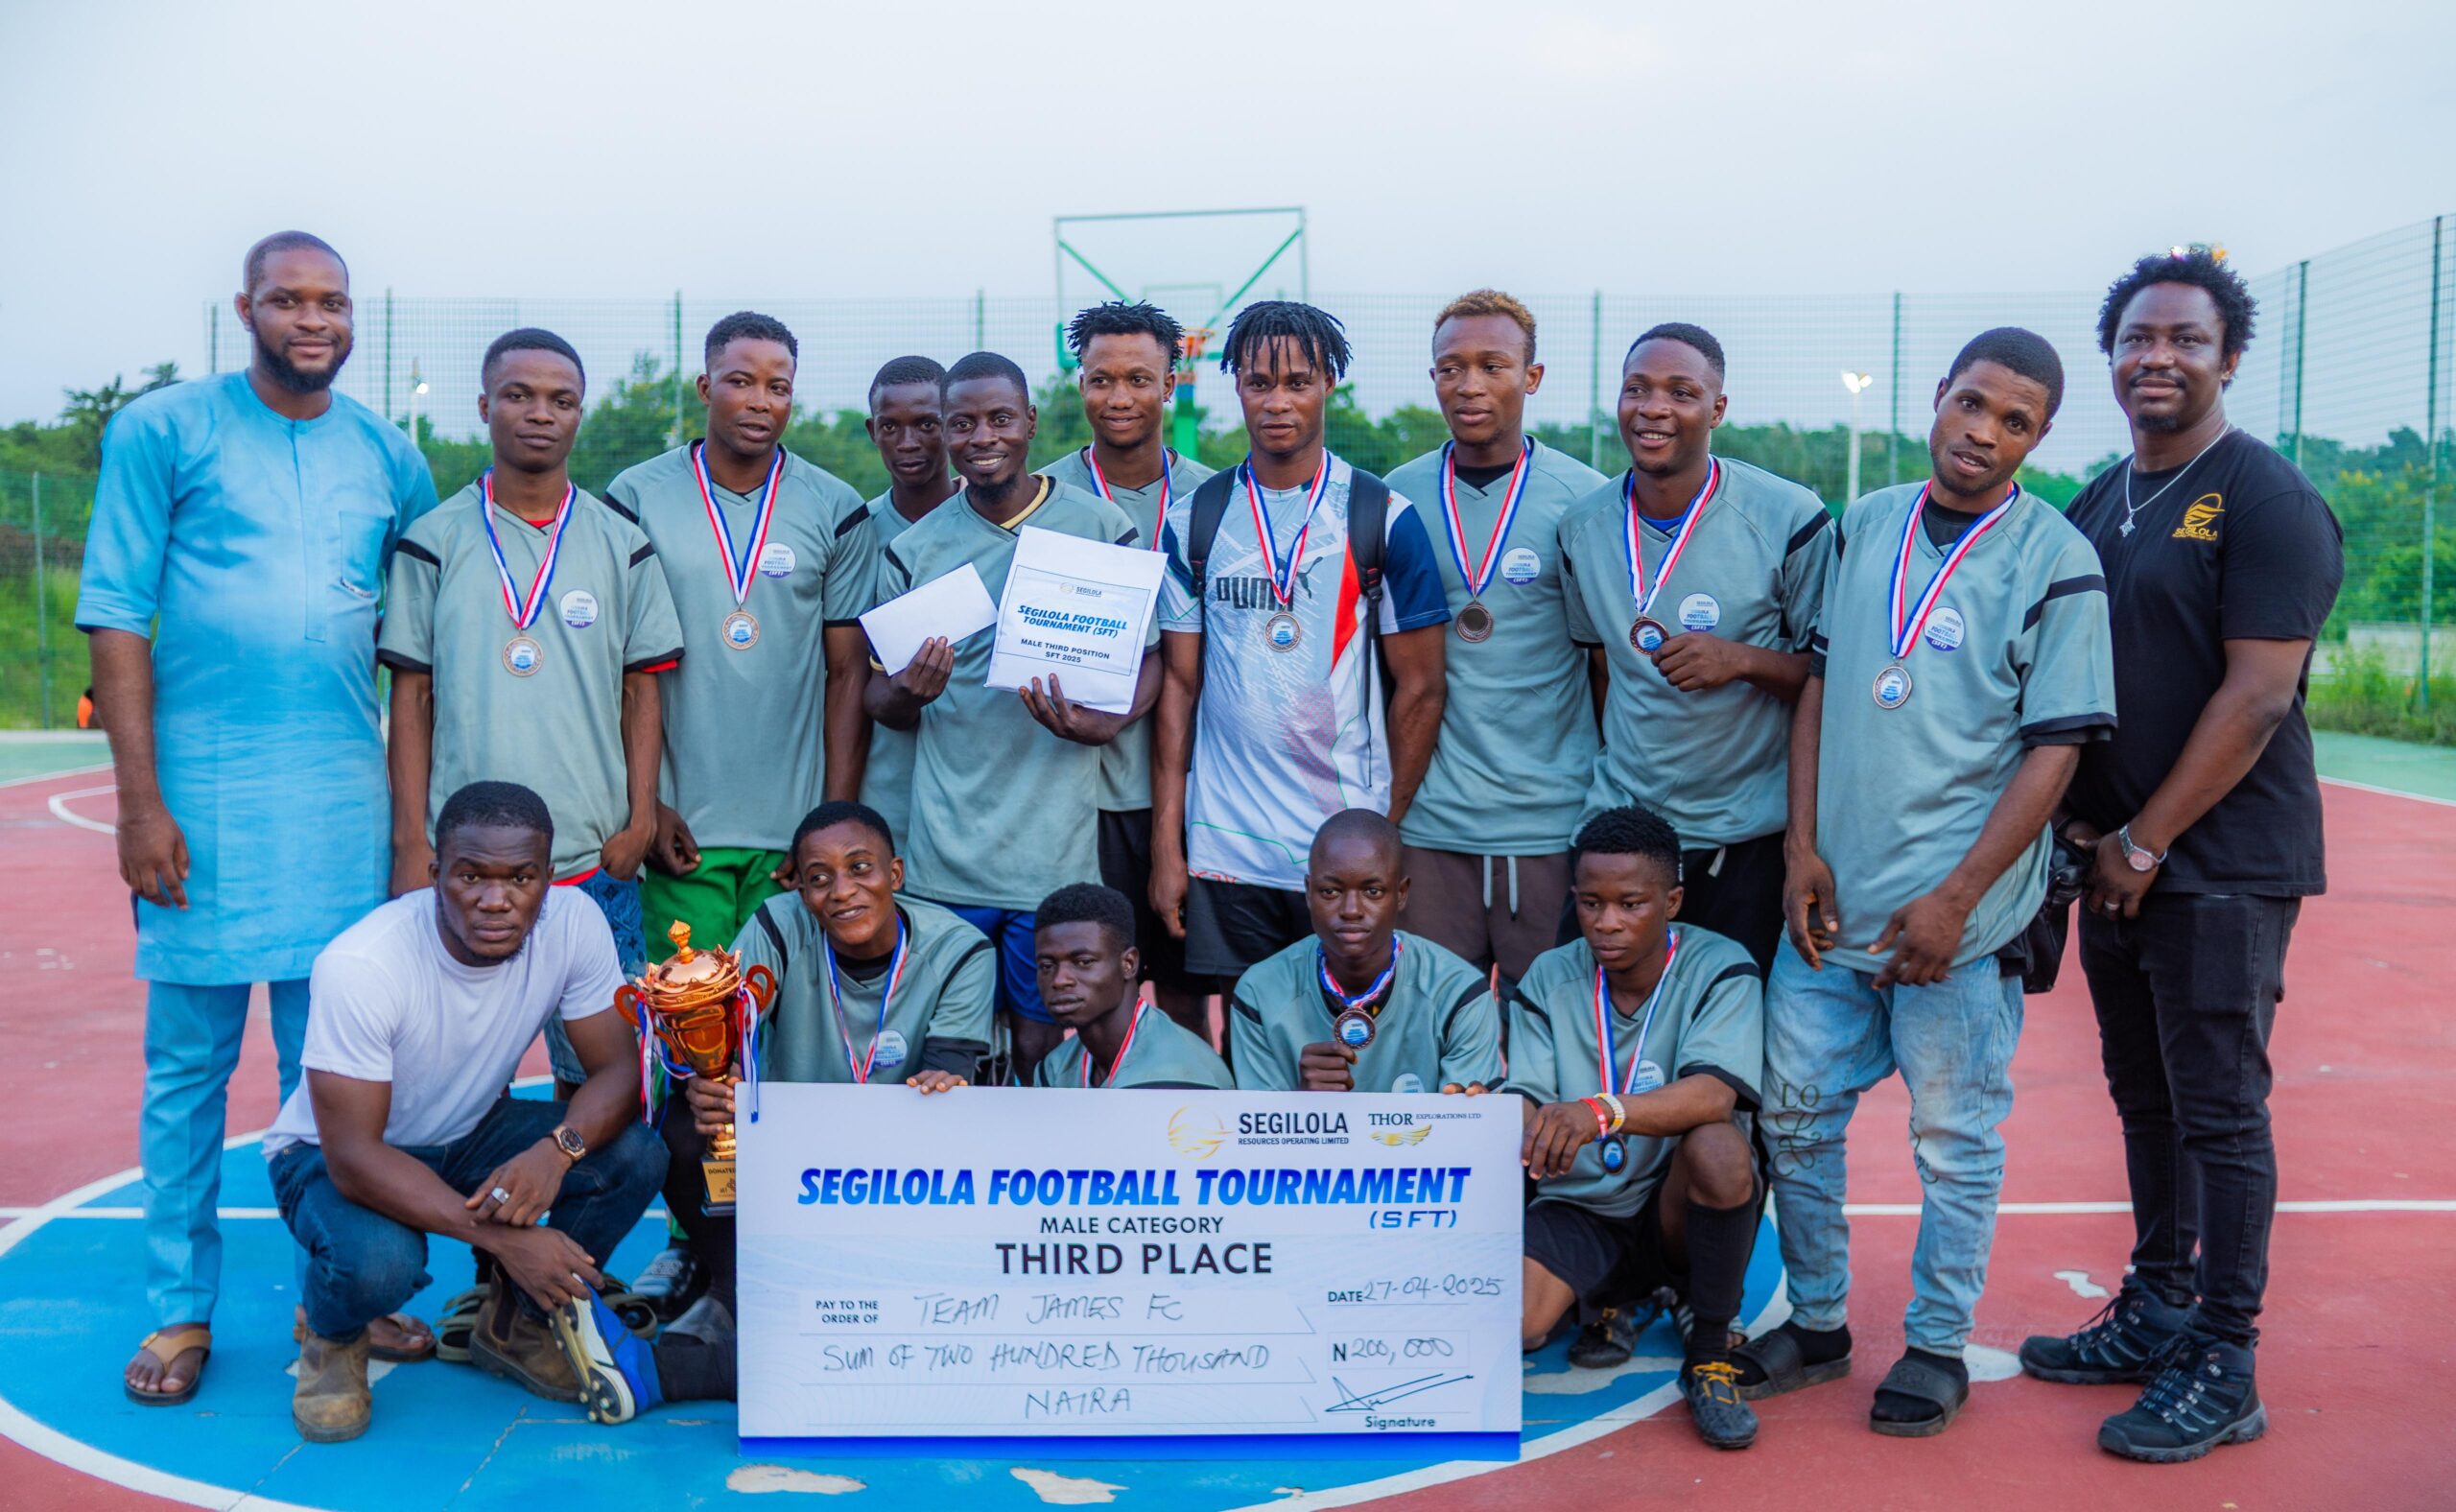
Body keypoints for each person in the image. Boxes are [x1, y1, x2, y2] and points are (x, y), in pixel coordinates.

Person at [77, 231, 439, 1405]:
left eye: (332, 300)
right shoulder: (162, 430)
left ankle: (332, 1292)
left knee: (332, 1071)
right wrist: (141, 806)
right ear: (245, 310)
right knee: (188, 1070)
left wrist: (413, 828)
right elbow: (117, 615)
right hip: (202, 804)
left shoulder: (389, 453)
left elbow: (421, 643)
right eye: (288, 299)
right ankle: (179, 1306)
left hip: (341, 806)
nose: (312, 319)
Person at [1734, 328, 2114, 1437]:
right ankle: (1816, 1322)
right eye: (1972, 404)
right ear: (1939, 395)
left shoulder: (2056, 559)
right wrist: (1800, 848)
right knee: (1796, 1123)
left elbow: (2054, 749)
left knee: (1952, 1145)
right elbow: (1816, 685)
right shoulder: (1863, 523)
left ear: (2039, 438)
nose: (1982, 433)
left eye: (2014, 422)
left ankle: (1937, 1343)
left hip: (1958, 928)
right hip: (1831, 910)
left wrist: (1956, 899)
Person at [2023, 248, 2344, 1464]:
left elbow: (2257, 695)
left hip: (2217, 862)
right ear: (2110, 357)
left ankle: (2224, 1353)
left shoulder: (2266, 501)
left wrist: (2149, 836)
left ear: (2228, 357)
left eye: (2184, 339)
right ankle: (2157, 1304)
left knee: (2218, 1109)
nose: (2156, 357)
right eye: (2136, 338)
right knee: (2144, 1097)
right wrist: (2087, 831)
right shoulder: (2102, 496)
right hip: (2119, 863)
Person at [266, 782, 667, 1443]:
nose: (495, 899)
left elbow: (620, 1071)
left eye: (521, 878)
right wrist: (508, 1241)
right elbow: (354, 1157)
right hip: (333, 1155)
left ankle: (519, 1321)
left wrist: (556, 1151)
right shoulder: (362, 964)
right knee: (381, 1263)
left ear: (548, 878)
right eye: (471, 876)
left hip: (469, 1132)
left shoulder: (574, 922)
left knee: (636, 1154)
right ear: (435, 876)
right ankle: (332, 1335)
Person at [379, 328, 683, 1096]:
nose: (540, 413)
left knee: (607, 1080)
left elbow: (642, 689)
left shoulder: (623, 544)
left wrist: (639, 820)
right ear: (485, 406)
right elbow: (411, 697)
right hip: (466, 869)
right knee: (448, 1081)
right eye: (518, 395)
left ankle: (576, 1184)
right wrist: (410, 841)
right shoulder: (433, 541)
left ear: (581, 413)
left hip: (591, 860)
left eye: (561, 400)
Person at [862, 351, 1157, 1081]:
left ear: (1030, 422)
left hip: (1051, 859)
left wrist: (1108, 723)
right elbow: (878, 700)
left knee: (1039, 1049)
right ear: (945, 433)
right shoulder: (915, 549)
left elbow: (1150, 660)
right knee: (947, 1055)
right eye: (962, 423)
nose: (982, 437)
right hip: (944, 862)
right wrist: (910, 692)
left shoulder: (1100, 526)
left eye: (999, 419)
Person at [648, 800, 992, 1403]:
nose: (842, 891)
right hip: (791, 1147)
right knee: (683, 1121)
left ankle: (757, 1330)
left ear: (895, 874)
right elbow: (720, 1041)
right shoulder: (778, 925)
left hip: (897, 1160)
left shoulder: (961, 951)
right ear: (802, 891)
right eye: (819, 877)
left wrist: (945, 1085)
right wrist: (715, 1082)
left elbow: (949, 1075)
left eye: (860, 868)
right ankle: (733, 1291)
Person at [1152, 302, 1451, 987]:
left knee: (1352, 1033)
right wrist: (1168, 845)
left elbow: (1423, 689)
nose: (1277, 401)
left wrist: (1380, 829)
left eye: (1298, 382)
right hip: (1228, 850)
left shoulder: (1382, 516)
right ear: (1236, 385)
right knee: (1247, 1033)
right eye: (1259, 383)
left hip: (1343, 853)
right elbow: (1179, 687)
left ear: (1329, 384)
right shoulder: (1193, 520)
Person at [1559, 323, 1833, 972]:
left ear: (1717, 409)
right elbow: (1602, 669)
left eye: (1681, 392)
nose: (1653, 408)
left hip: (1746, 837)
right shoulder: (1580, 528)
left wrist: (1741, 660)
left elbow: (1831, 681)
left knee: (1729, 1024)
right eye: (1637, 389)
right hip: (1624, 830)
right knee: (1594, 1017)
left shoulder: (1791, 518)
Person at [605, 312, 876, 957]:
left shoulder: (836, 507)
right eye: (740, 381)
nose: (760, 401)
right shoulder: (635, 496)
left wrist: (829, 822)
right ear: (705, 388)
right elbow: (612, 668)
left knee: (784, 1014)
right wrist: (644, 806)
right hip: (678, 830)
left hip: (791, 839)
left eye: (778, 387)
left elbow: (848, 674)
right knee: (689, 1010)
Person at [1507, 806, 1766, 1451]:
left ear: (1672, 901)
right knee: (1518, 1326)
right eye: (1591, 903)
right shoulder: (1549, 975)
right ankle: (1625, 1297)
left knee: (1720, 1148)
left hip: (1669, 1202)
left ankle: (1709, 1356)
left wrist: (1601, 1111)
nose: (1607, 922)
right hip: (1581, 1205)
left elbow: (1713, 1094)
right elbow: (1525, 1098)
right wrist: (1506, 1118)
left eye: (1631, 904)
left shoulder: (1720, 966)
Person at [1384, 292, 1607, 991]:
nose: (1470, 385)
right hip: (1431, 827)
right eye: (1451, 368)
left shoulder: (1586, 499)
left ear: (1531, 377)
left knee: (1547, 1034)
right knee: (1429, 1032)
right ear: (1433, 378)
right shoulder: (1395, 497)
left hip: (1548, 825)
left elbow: (1606, 669)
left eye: (1493, 366)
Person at [1040, 302, 1218, 1044]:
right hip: (1076, 794)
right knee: (1076, 992)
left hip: (1194, 792)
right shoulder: (1041, 498)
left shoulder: (1216, 499)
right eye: (1101, 379)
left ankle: (1184, 1109)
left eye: (1139, 379)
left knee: (1184, 991)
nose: (1119, 397)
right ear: (1079, 384)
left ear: (1171, 384)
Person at [1228, 810, 1500, 1095]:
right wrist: (1302, 1104)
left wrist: (1469, 1110)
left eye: (1373, 892)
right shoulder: (1259, 992)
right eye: (1330, 892)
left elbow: (1469, 1115)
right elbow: (1254, 1120)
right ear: (1308, 892)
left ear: (1401, 893)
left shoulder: (1458, 992)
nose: (1351, 910)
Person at [852, 356, 959, 848]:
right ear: (872, 431)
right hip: (886, 789)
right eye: (890, 427)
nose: (908, 442)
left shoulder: (995, 525)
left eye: (927, 425)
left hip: (977, 785)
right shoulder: (855, 534)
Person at [1030, 884, 1235, 1090]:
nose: (1059, 980)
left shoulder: (1181, 1074)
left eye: (1084, 962)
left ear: (1128, 964)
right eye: (1047, 966)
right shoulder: (1053, 1068)